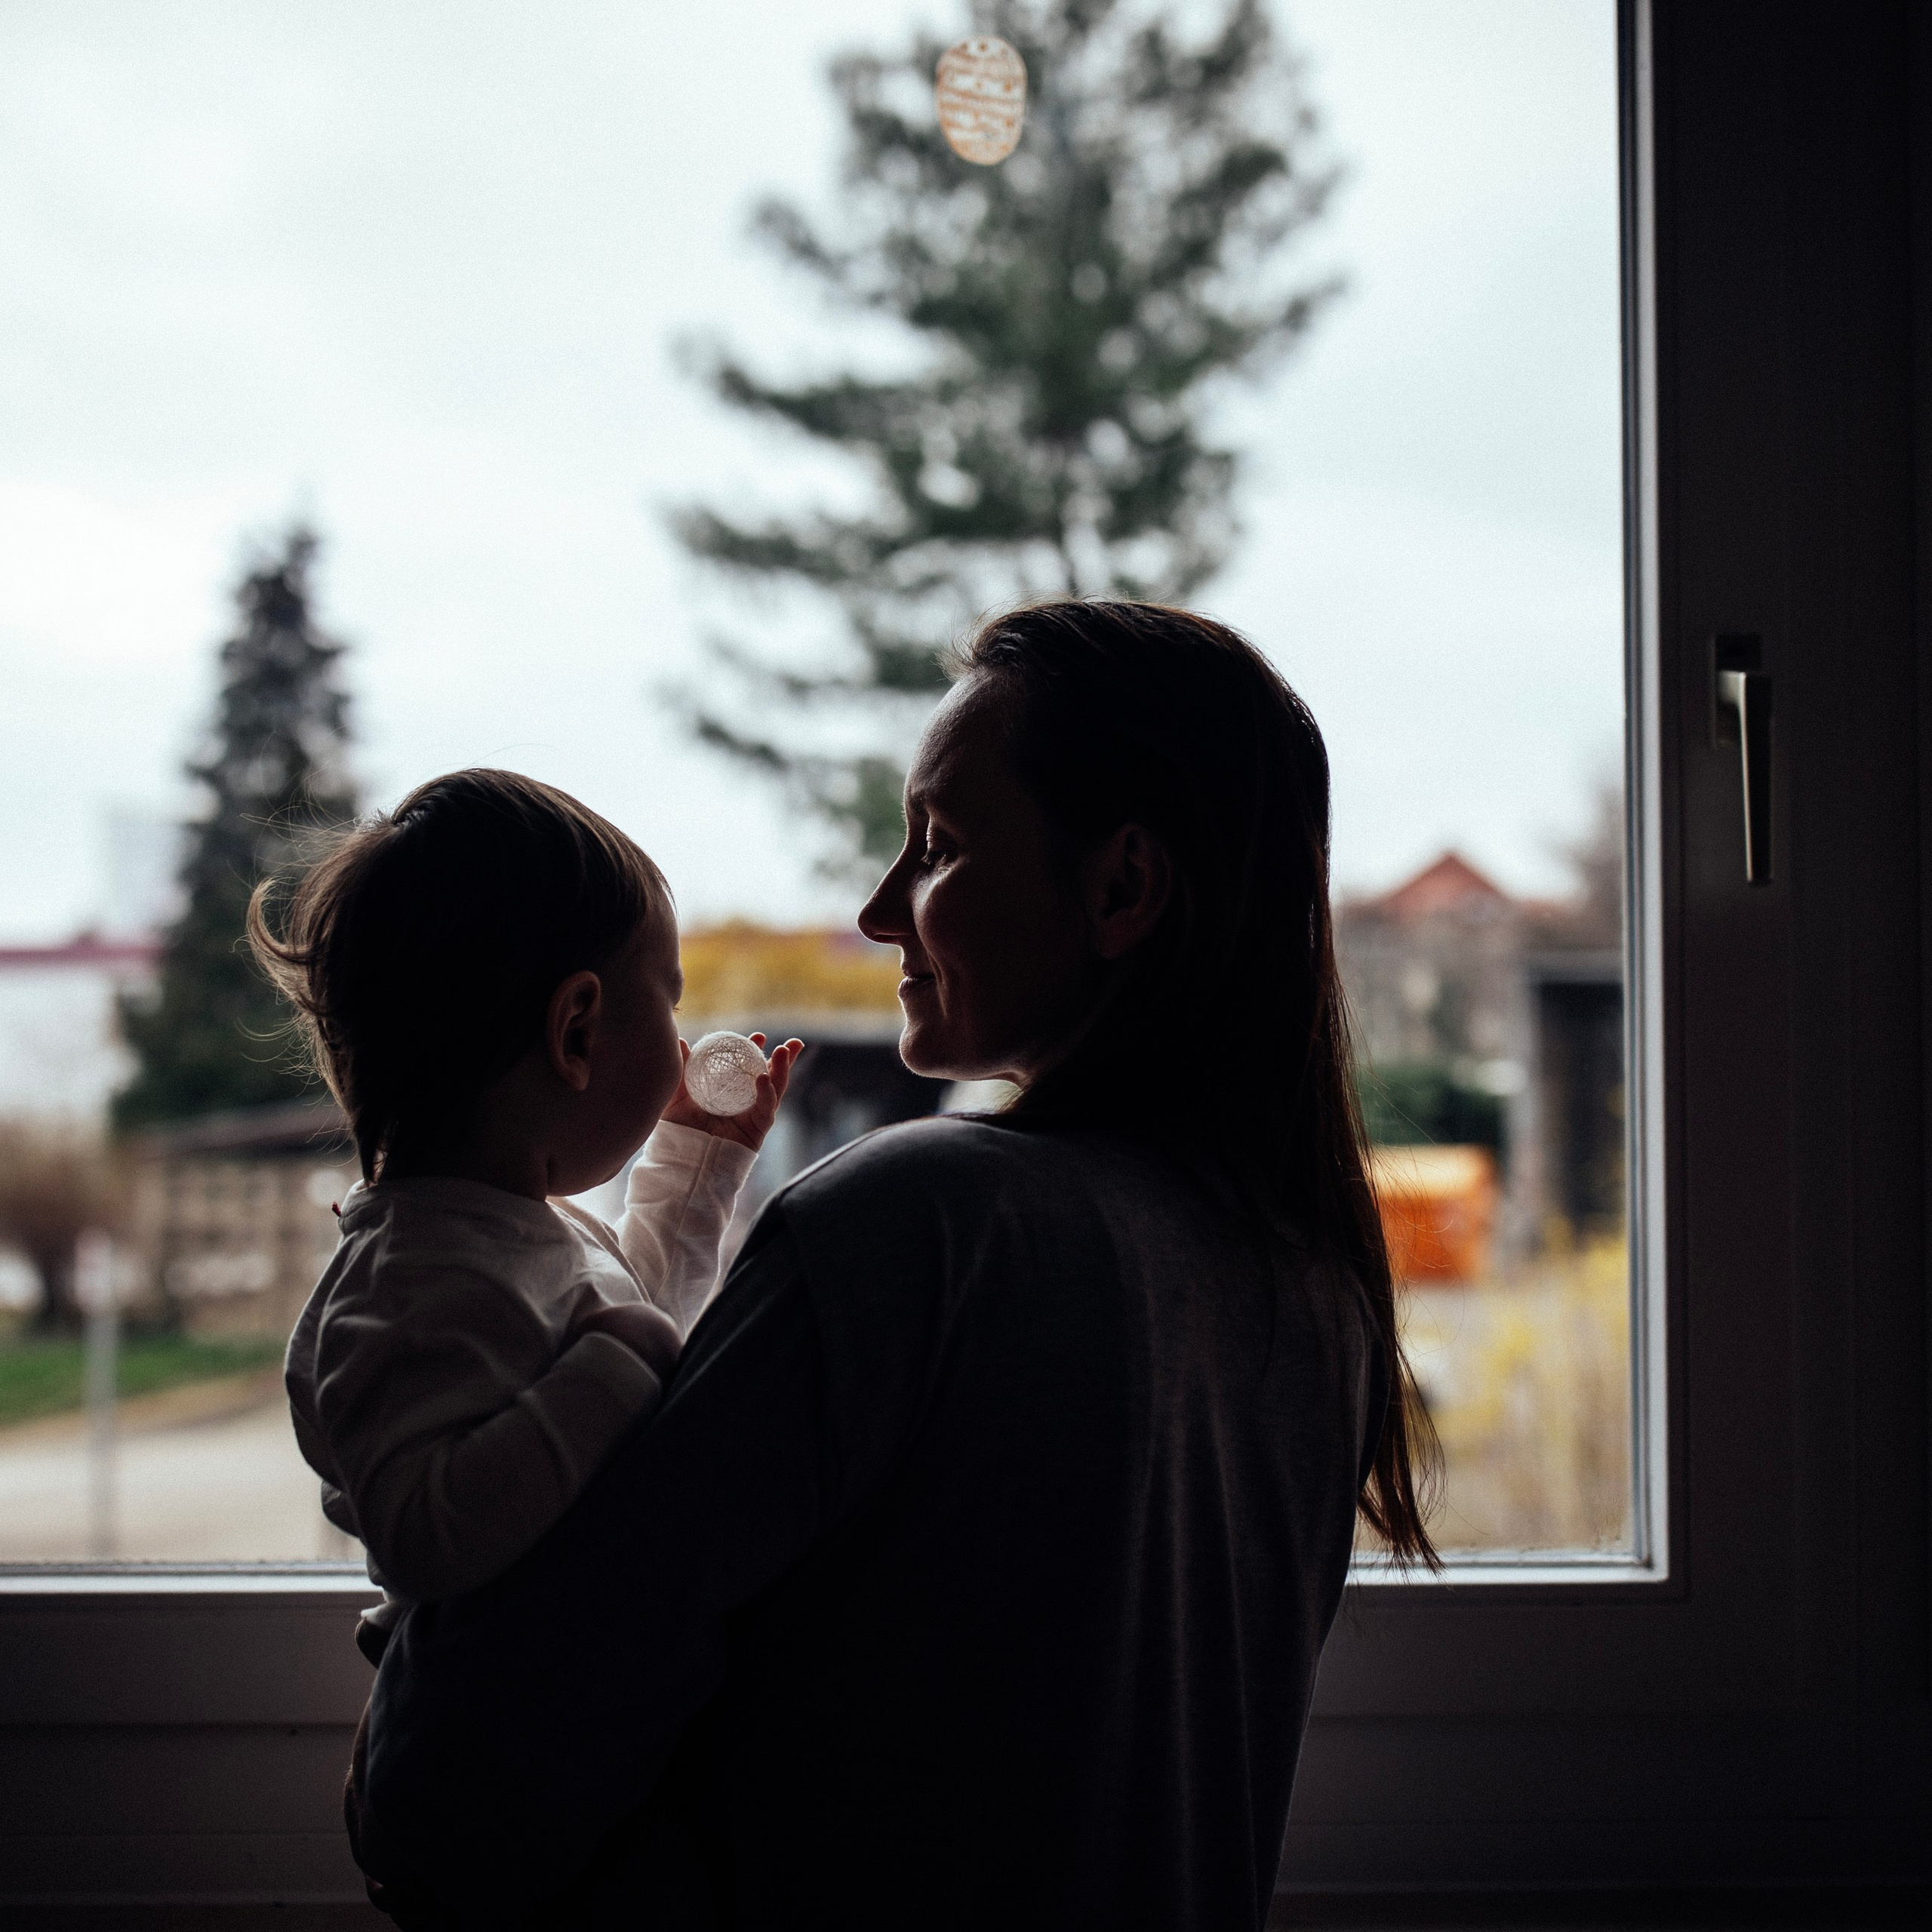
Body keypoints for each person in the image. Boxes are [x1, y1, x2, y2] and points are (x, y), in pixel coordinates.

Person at [353, 602, 1438, 1930]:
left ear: (1122, 888)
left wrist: (425, 1659)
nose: (879, 910)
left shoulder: (919, 1227)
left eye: (940, 844)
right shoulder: (1313, 1296)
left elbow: (449, 1803)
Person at [249, 768, 801, 1661]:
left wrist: (699, 1159)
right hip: (478, 1750)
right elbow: (424, 1538)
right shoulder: (402, 1287)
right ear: (577, 1030)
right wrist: (619, 1364)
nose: (685, 1041)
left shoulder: (520, 1230)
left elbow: (640, 1316)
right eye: (670, 999)